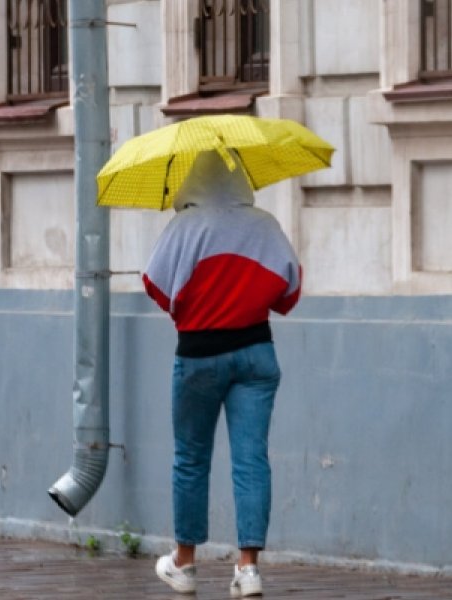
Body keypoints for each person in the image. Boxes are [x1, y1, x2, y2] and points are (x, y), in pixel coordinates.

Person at [142, 149, 302, 597]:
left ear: (192, 182)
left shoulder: (182, 227)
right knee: (251, 459)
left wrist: (193, 307)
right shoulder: (265, 225)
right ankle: (248, 569)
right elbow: (289, 293)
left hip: (198, 355)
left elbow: (154, 285)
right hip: (255, 353)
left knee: (191, 458)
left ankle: (184, 564)